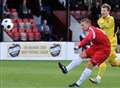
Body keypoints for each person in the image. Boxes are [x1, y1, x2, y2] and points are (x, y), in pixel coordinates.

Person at [58, 18, 111, 87]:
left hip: (104, 50)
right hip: (97, 46)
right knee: (82, 55)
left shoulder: (92, 30)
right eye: (81, 25)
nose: (82, 27)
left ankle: (77, 84)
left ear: (88, 24)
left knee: (90, 64)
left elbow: (88, 38)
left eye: (83, 25)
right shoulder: (92, 30)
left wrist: (79, 46)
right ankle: (66, 69)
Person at [89, 3, 120, 84]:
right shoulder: (99, 20)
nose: (102, 12)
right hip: (105, 44)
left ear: (108, 11)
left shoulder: (112, 19)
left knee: (102, 60)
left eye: (104, 11)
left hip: (112, 44)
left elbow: (107, 25)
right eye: (102, 10)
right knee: (114, 63)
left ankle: (98, 78)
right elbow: (102, 27)